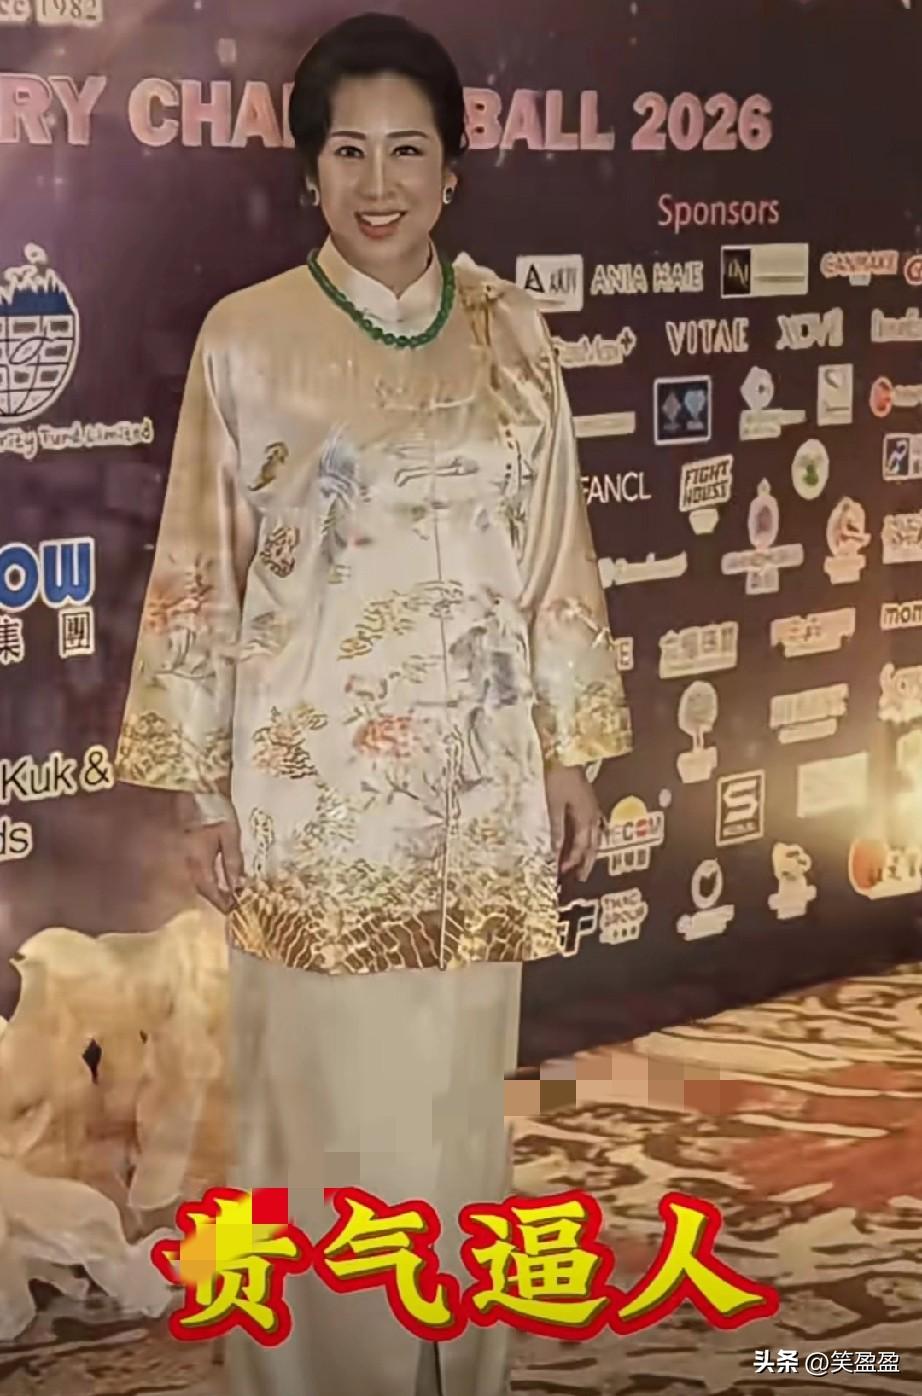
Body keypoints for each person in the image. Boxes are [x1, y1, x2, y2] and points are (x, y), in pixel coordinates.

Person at [115, 12, 632, 1394]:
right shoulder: (247, 339)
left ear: (453, 168)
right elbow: (199, 567)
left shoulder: (513, 332)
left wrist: (570, 752)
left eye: (409, 150)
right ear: (309, 170)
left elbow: (554, 551)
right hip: (310, 800)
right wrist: (201, 785)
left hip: (479, 792)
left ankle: (456, 1368)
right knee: (320, 1109)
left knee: (456, 1102)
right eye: (349, 151)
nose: (379, 183)